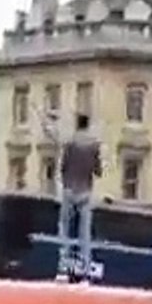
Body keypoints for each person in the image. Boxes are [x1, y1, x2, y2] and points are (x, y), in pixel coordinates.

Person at [58, 113, 101, 281]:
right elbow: (98, 171)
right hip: (85, 191)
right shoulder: (93, 145)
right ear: (88, 125)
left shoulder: (69, 143)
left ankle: (63, 265)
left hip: (69, 189)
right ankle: (84, 269)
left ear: (77, 124)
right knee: (85, 234)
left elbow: (63, 168)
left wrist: (66, 182)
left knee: (65, 230)